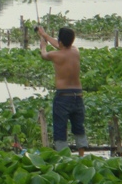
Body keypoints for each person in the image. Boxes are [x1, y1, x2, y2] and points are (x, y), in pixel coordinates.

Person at [36, 26, 88, 156]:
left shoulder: (55, 55)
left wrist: (43, 45)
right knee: (78, 127)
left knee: (60, 127)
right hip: (78, 95)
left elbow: (44, 55)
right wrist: (45, 35)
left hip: (63, 96)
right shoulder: (76, 51)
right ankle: (82, 155)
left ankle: (63, 157)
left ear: (60, 41)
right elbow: (61, 46)